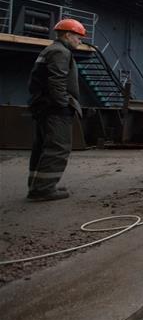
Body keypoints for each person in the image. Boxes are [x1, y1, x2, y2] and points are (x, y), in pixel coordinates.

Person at [26, 19, 85, 201]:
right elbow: (57, 81)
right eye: (78, 37)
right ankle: (44, 189)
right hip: (54, 109)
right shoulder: (61, 52)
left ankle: (37, 185)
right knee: (58, 147)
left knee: (42, 146)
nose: (80, 41)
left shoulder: (50, 49)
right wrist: (63, 104)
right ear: (67, 35)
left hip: (43, 106)